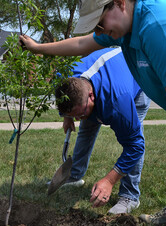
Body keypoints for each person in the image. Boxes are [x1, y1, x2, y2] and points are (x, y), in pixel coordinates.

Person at [20, 0, 166, 226]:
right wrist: (37, 48)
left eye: (99, 23)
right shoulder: (122, 28)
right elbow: (80, 43)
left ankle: (138, 198)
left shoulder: (158, 28)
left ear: (119, 3)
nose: (99, 32)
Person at [54, 47, 150, 214]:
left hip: (136, 84)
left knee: (133, 138)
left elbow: (135, 146)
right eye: (75, 115)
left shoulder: (118, 101)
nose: (79, 118)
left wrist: (110, 180)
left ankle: (130, 196)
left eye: (80, 113)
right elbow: (69, 103)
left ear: (91, 96)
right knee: (86, 130)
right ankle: (74, 176)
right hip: (100, 87)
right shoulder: (65, 79)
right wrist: (67, 116)